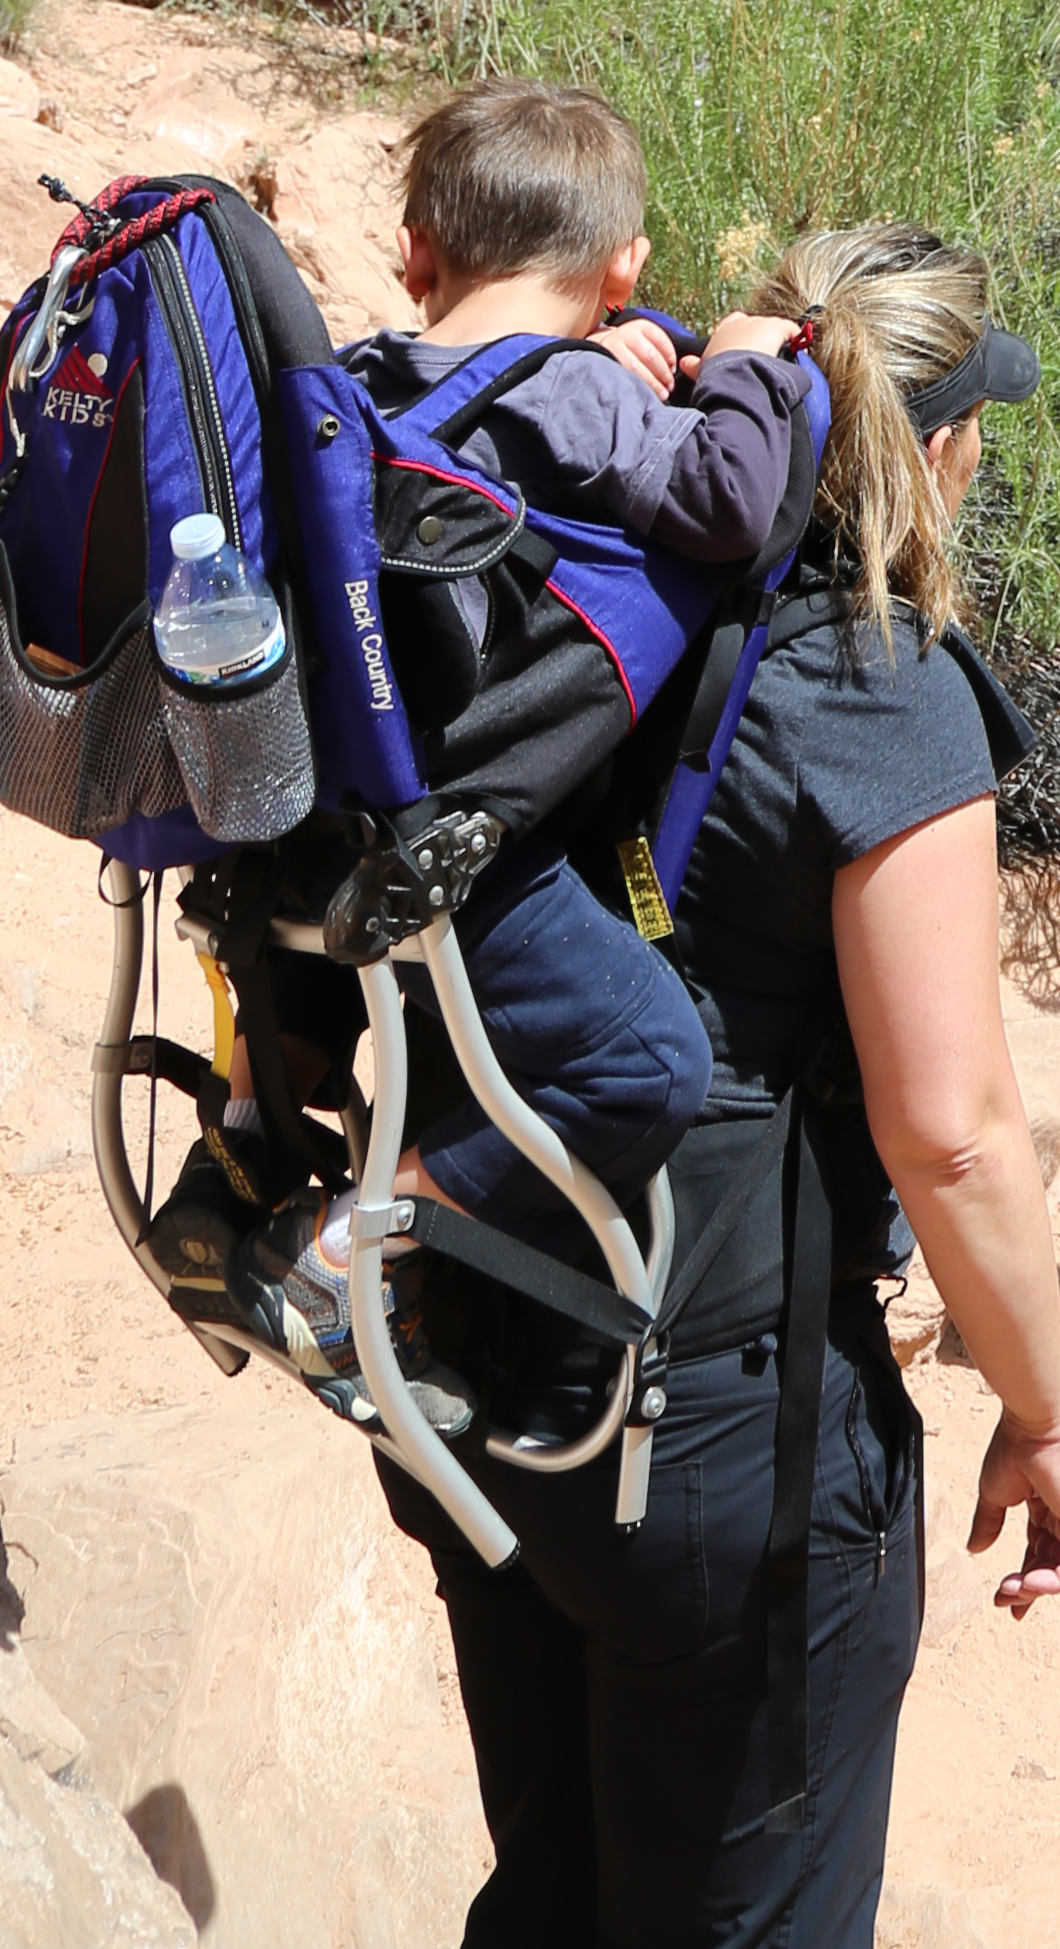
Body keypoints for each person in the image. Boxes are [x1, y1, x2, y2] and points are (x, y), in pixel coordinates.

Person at [379, 221, 1060, 1949]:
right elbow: (953, 1130)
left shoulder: (579, 591)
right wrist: (1049, 1406)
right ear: (932, 448)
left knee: (555, 1875)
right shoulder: (872, 681)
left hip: (478, 1348)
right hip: (718, 1414)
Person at [241, 78, 822, 1415]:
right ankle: (355, 1247)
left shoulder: (363, 378)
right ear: (624, 271)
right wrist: (738, 358)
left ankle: (248, 1150)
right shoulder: (581, 397)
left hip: (301, 815)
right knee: (645, 1060)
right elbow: (730, 502)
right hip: (449, 848)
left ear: (416, 252)